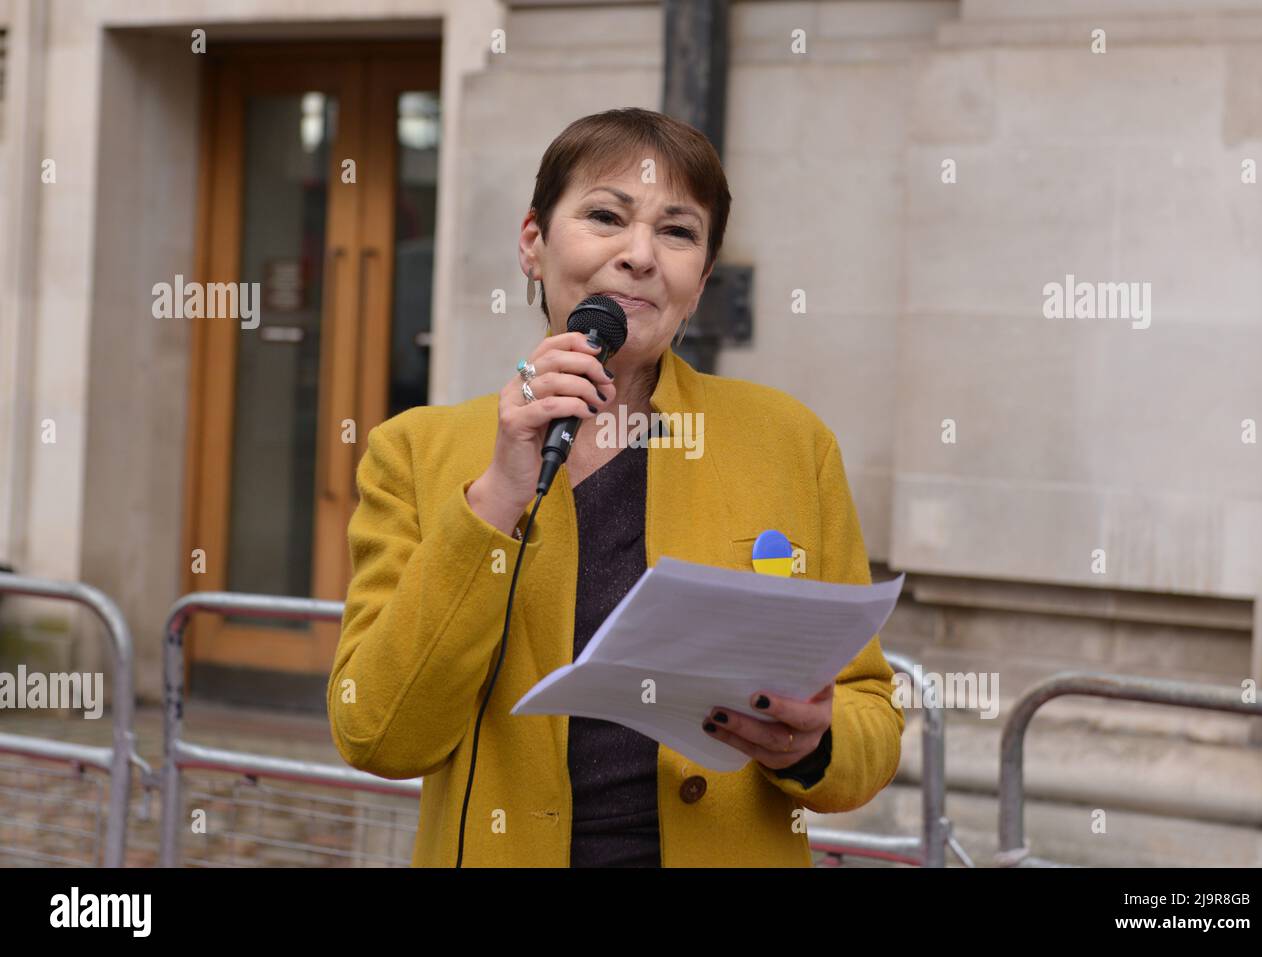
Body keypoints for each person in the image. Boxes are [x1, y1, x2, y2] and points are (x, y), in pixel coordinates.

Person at [327, 107, 904, 867]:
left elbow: (872, 724)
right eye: (605, 215)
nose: (640, 255)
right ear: (533, 243)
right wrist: (499, 491)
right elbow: (376, 730)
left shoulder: (790, 442)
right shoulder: (413, 452)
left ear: (698, 281)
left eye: (677, 232)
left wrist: (812, 741)